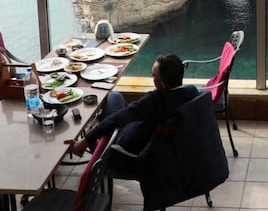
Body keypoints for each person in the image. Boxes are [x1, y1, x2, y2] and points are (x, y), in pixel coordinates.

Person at [68, 54, 199, 166]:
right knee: (116, 98)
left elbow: (117, 119)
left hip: (129, 148)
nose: (153, 80)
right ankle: (98, 141)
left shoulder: (155, 100)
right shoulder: (192, 92)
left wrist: (84, 141)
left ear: (161, 83)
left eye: (153, 76)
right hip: (163, 145)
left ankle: (99, 154)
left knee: (112, 103)